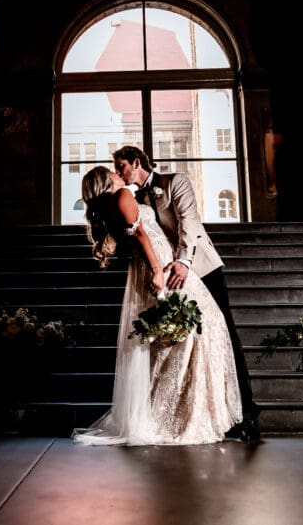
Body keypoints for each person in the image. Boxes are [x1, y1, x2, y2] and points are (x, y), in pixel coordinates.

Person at [73, 166, 242, 446]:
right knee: (206, 322)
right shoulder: (122, 196)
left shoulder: (111, 206)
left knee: (186, 336)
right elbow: (141, 236)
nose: (118, 174)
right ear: (106, 181)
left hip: (155, 266)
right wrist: (157, 270)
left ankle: (181, 409)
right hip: (161, 264)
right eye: (112, 172)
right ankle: (183, 413)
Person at [113, 145, 260, 443]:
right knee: (187, 344)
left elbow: (189, 222)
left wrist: (183, 261)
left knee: (224, 335)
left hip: (200, 268)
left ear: (137, 162)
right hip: (168, 277)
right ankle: (202, 411)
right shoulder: (132, 198)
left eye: (121, 166)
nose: (118, 173)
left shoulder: (175, 181)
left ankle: (246, 414)